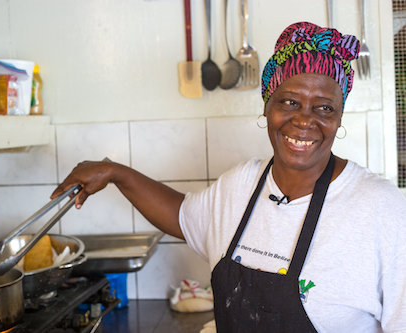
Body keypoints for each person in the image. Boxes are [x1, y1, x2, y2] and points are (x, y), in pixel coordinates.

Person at [51, 22, 406, 332]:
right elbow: (181, 215)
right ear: (267, 107)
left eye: (324, 107)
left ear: (339, 118)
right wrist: (115, 172)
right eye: (289, 102)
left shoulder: (382, 210)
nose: (304, 120)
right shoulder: (241, 185)